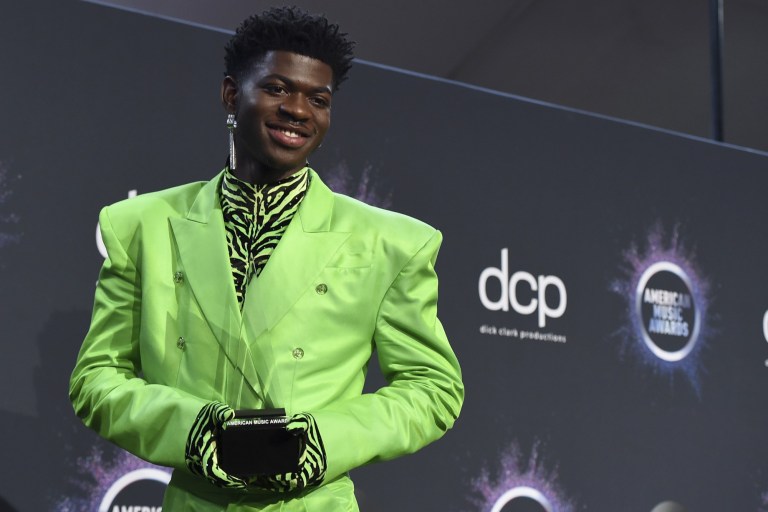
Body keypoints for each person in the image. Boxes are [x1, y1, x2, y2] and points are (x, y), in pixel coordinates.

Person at [69, 6, 463, 511]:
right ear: (231, 95)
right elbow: (96, 378)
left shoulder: (392, 242)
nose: (298, 110)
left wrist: (323, 441)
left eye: (318, 99)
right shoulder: (141, 226)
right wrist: (194, 431)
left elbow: (434, 387)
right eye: (277, 89)